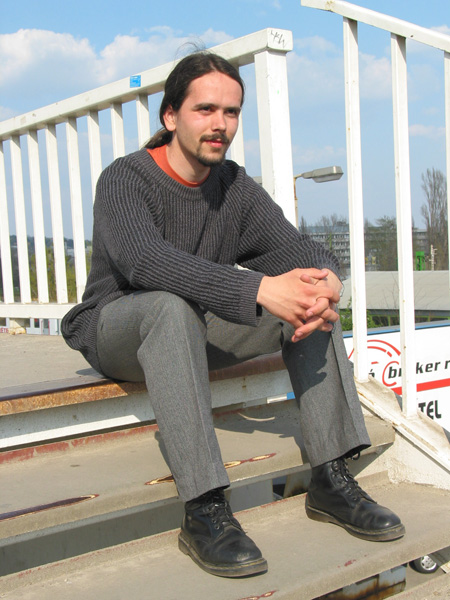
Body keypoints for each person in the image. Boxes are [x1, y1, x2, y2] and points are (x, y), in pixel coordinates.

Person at [61, 51, 405, 579]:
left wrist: (326, 280)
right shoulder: (125, 179)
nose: (220, 124)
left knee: (306, 300)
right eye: (205, 109)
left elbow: (297, 248)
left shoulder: (234, 186)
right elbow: (144, 261)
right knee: (170, 307)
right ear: (170, 116)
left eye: (231, 111)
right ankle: (204, 508)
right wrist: (259, 287)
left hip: (196, 327)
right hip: (120, 327)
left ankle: (331, 477)